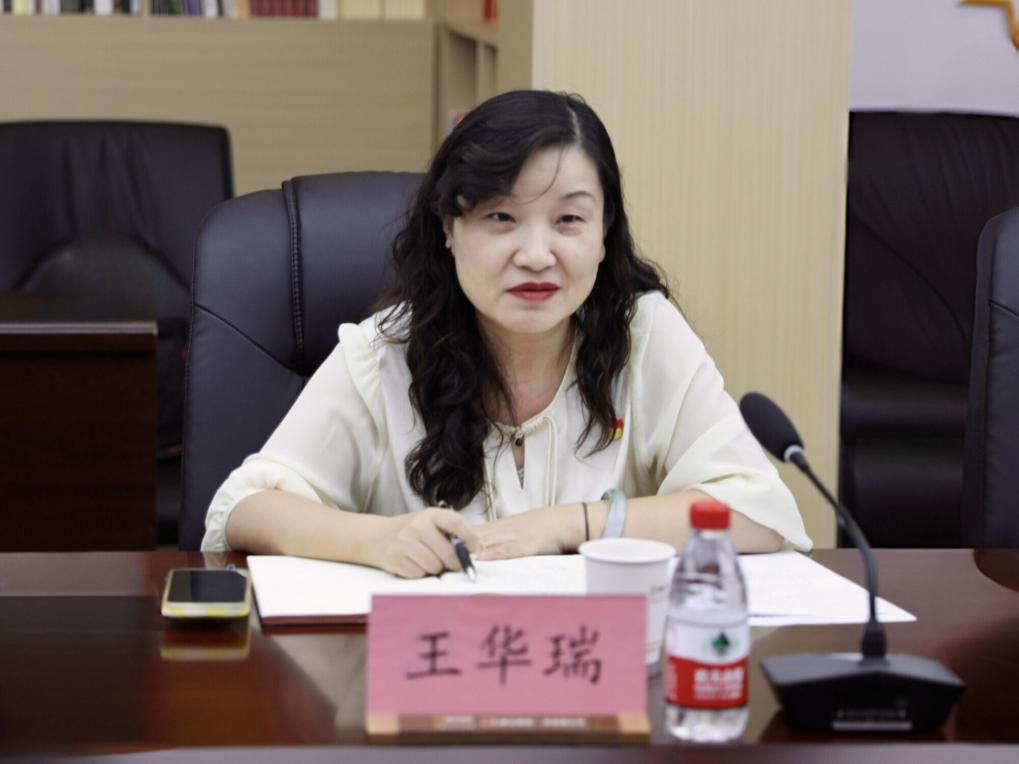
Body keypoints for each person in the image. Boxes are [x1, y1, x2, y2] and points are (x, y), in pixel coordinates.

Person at [201, 90, 811, 577]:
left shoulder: (644, 335)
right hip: (431, 675)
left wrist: (570, 524)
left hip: (599, 671)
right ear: (449, 228)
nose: (538, 255)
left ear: (604, 234)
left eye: (569, 219)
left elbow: (759, 512)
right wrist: (379, 539)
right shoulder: (384, 351)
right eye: (501, 217)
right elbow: (242, 508)